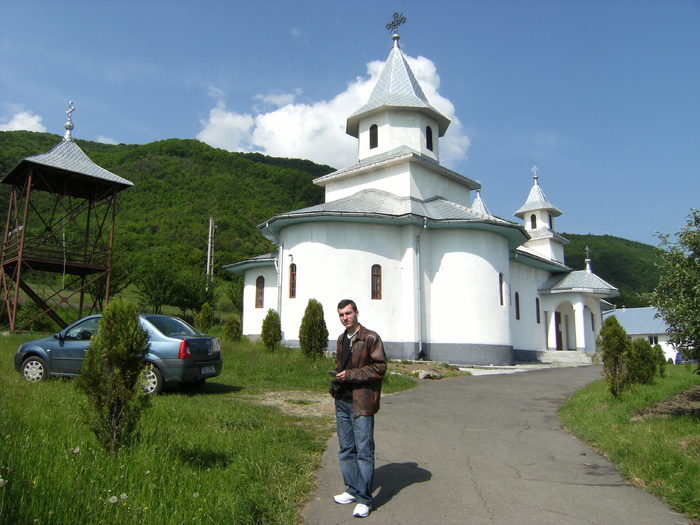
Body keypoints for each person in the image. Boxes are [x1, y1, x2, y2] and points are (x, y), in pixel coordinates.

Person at [330, 299, 387, 518]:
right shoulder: (342, 339)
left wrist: (352, 375)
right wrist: (336, 382)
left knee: (364, 450)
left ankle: (365, 499)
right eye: (341, 315)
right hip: (342, 400)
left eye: (348, 313)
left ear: (356, 313)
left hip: (361, 402)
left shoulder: (370, 337)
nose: (345, 318)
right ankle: (353, 489)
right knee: (346, 448)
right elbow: (341, 367)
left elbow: (380, 367)